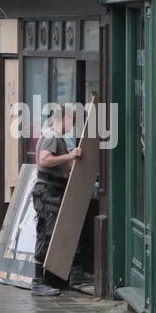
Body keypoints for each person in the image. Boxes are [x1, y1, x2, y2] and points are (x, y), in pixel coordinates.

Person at [31, 106, 93, 297]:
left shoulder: (52, 136)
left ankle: (63, 275)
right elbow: (44, 160)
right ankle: (38, 282)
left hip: (52, 191)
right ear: (63, 118)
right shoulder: (52, 136)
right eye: (72, 121)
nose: (72, 126)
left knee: (57, 234)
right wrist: (71, 155)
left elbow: (61, 164)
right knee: (47, 235)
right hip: (48, 192)